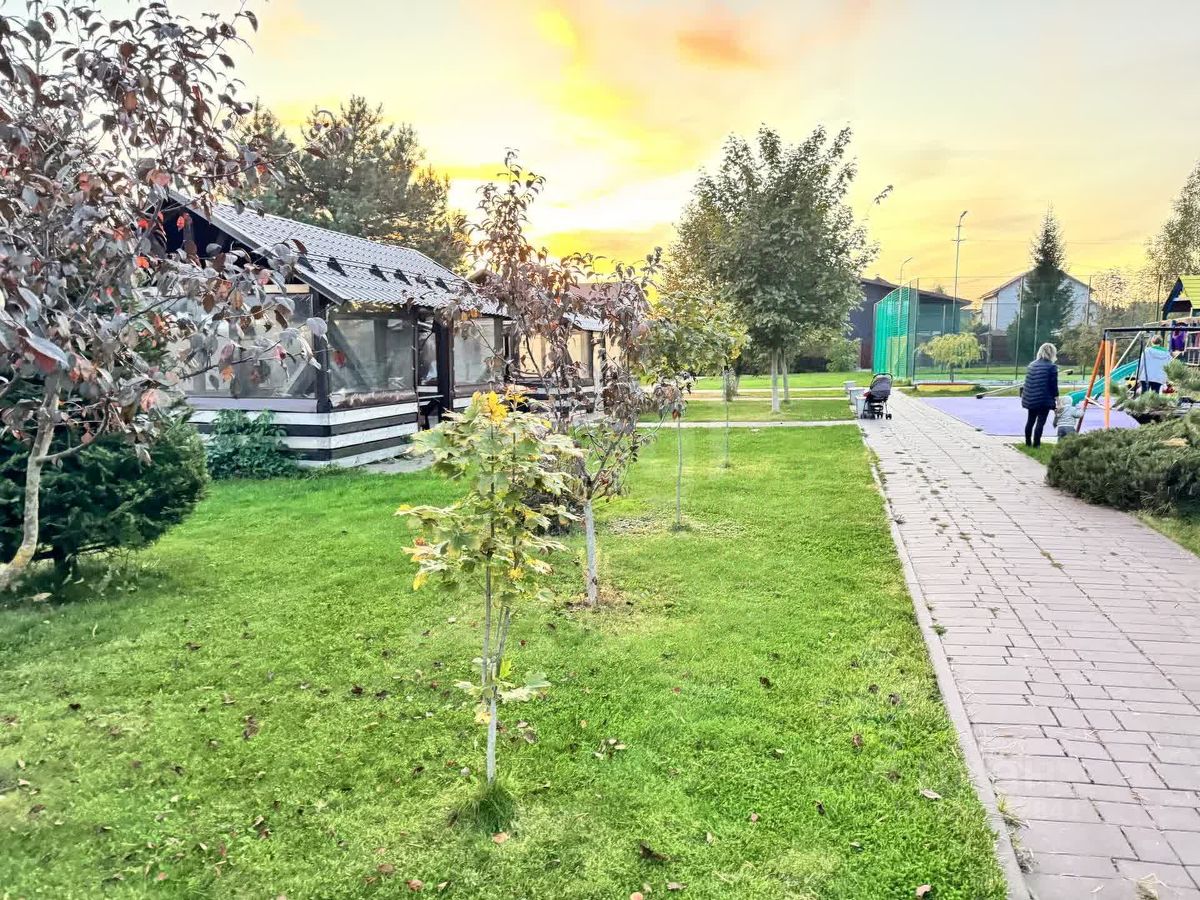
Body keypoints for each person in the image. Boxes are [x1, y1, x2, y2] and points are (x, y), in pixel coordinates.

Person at [1022, 342, 1059, 448]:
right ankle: (1036, 444)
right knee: (1040, 422)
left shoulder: (1032, 365)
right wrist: (1057, 400)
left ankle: (1027, 443)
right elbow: (1053, 385)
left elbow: (1028, 383)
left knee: (1030, 421)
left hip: (1031, 398)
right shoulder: (1052, 367)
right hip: (1044, 400)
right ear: (1052, 353)